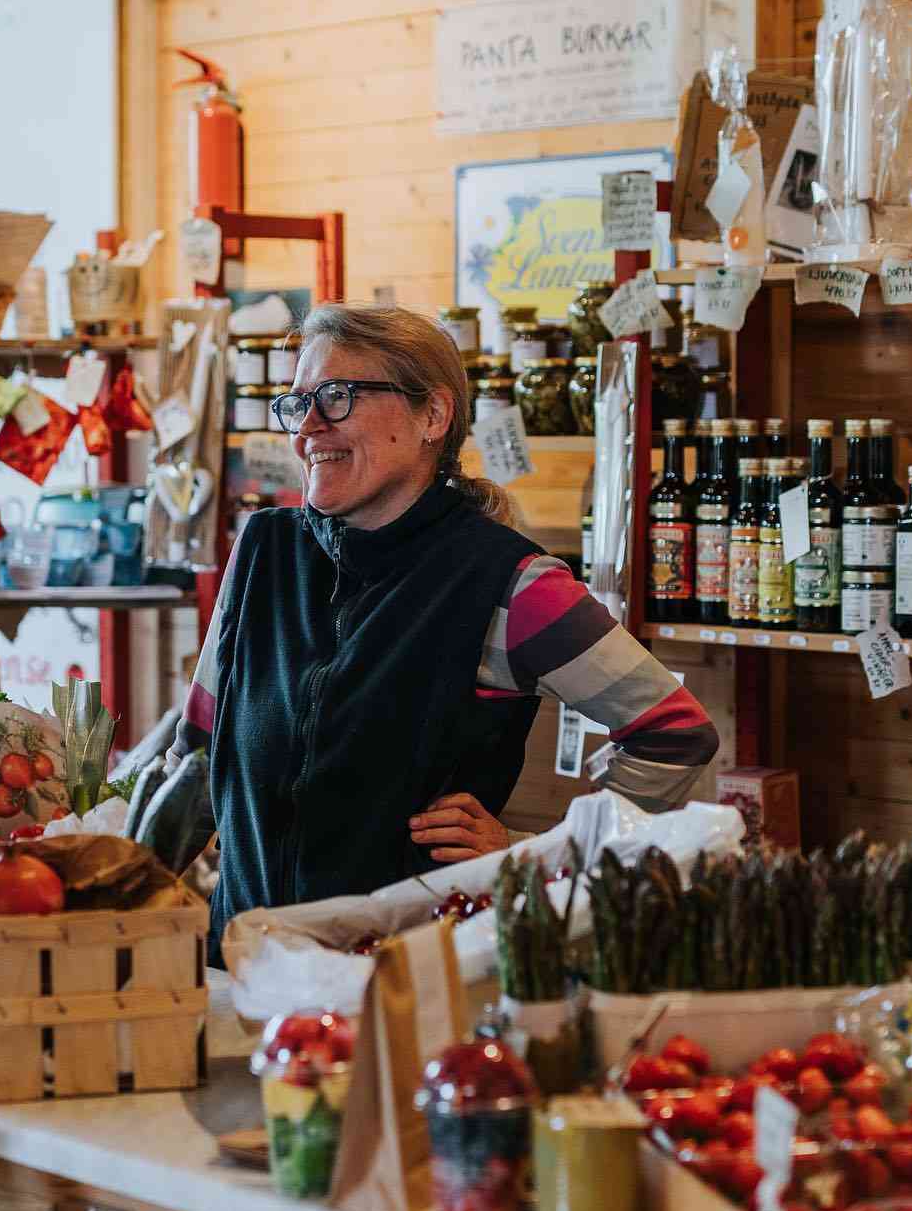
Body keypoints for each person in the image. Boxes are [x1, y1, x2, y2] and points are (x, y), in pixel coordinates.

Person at [171, 304, 719, 964]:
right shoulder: (263, 551)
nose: (308, 427)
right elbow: (197, 754)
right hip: (248, 969)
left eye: (337, 398)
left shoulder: (509, 583)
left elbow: (676, 735)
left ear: (432, 416)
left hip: (410, 989)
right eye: (298, 404)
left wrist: (539, 860)